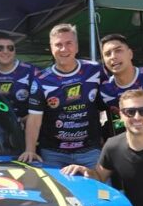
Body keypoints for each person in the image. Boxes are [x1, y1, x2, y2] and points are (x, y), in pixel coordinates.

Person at [18, 24, 104, 169]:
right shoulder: (41, 79)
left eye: (68, 43)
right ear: (52, 49)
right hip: (53, 153)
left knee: (100, 191)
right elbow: (34, 119)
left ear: (76, 47)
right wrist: (30, 150)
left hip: (90, 151)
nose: (64, 49)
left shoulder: (95, 70)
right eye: (58, 45)